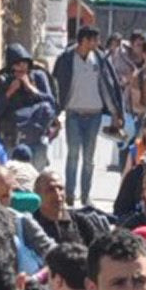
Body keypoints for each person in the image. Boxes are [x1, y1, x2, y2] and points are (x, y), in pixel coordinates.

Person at [51, 22, 127, 202]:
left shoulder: (99, 59)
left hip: (94, 115)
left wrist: (116, 113)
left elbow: (108, 86)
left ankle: (85, 196)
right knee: (73, 155)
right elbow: (57, 85)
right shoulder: (67, 59)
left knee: (89, 158)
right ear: (84, 40)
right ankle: (69, 194)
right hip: (73, 114)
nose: (97, 43)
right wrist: (54, 112)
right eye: (94, 39)